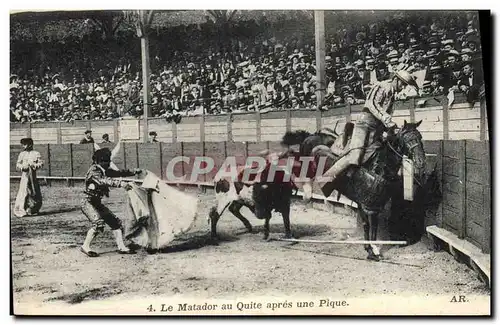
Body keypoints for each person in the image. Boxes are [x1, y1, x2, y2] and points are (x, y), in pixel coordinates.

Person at [317, 70, 419, 197]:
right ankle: (325, 181)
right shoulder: (381, 86)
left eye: (405, 85)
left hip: (377, 129)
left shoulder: (392, 95)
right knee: (355, 155)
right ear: (396, 80)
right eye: (402, 84)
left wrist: (389, 128)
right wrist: (387, 119)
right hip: (364, 125)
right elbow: (372, 104)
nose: (403, 87)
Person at [80, 148, 142, 257]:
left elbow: (117, 173)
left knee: (115, 223)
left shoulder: (103, 169)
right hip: (88, 202)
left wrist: (133, 171)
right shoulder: (94, 171)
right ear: (98, 161)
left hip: (96, 202)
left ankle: (121, 247)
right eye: (105, 161)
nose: (108, 163)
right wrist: (121, 184)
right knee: (98, 223)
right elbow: (104, 181)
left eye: (108, 160)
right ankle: (85, 246)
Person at [13, 138, 44, 217]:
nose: (23, 146)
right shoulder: (22, 154)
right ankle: (22, 210)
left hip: (33, 176)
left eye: (25, 144)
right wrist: (23, 167)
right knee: (24, 193)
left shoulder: (36, 153)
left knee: (34, 192)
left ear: (30, 144)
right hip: (25, 176)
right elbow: (18, 164)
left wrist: (34, 166)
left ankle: (33, 210)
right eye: (22, 145)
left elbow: (41, 163)